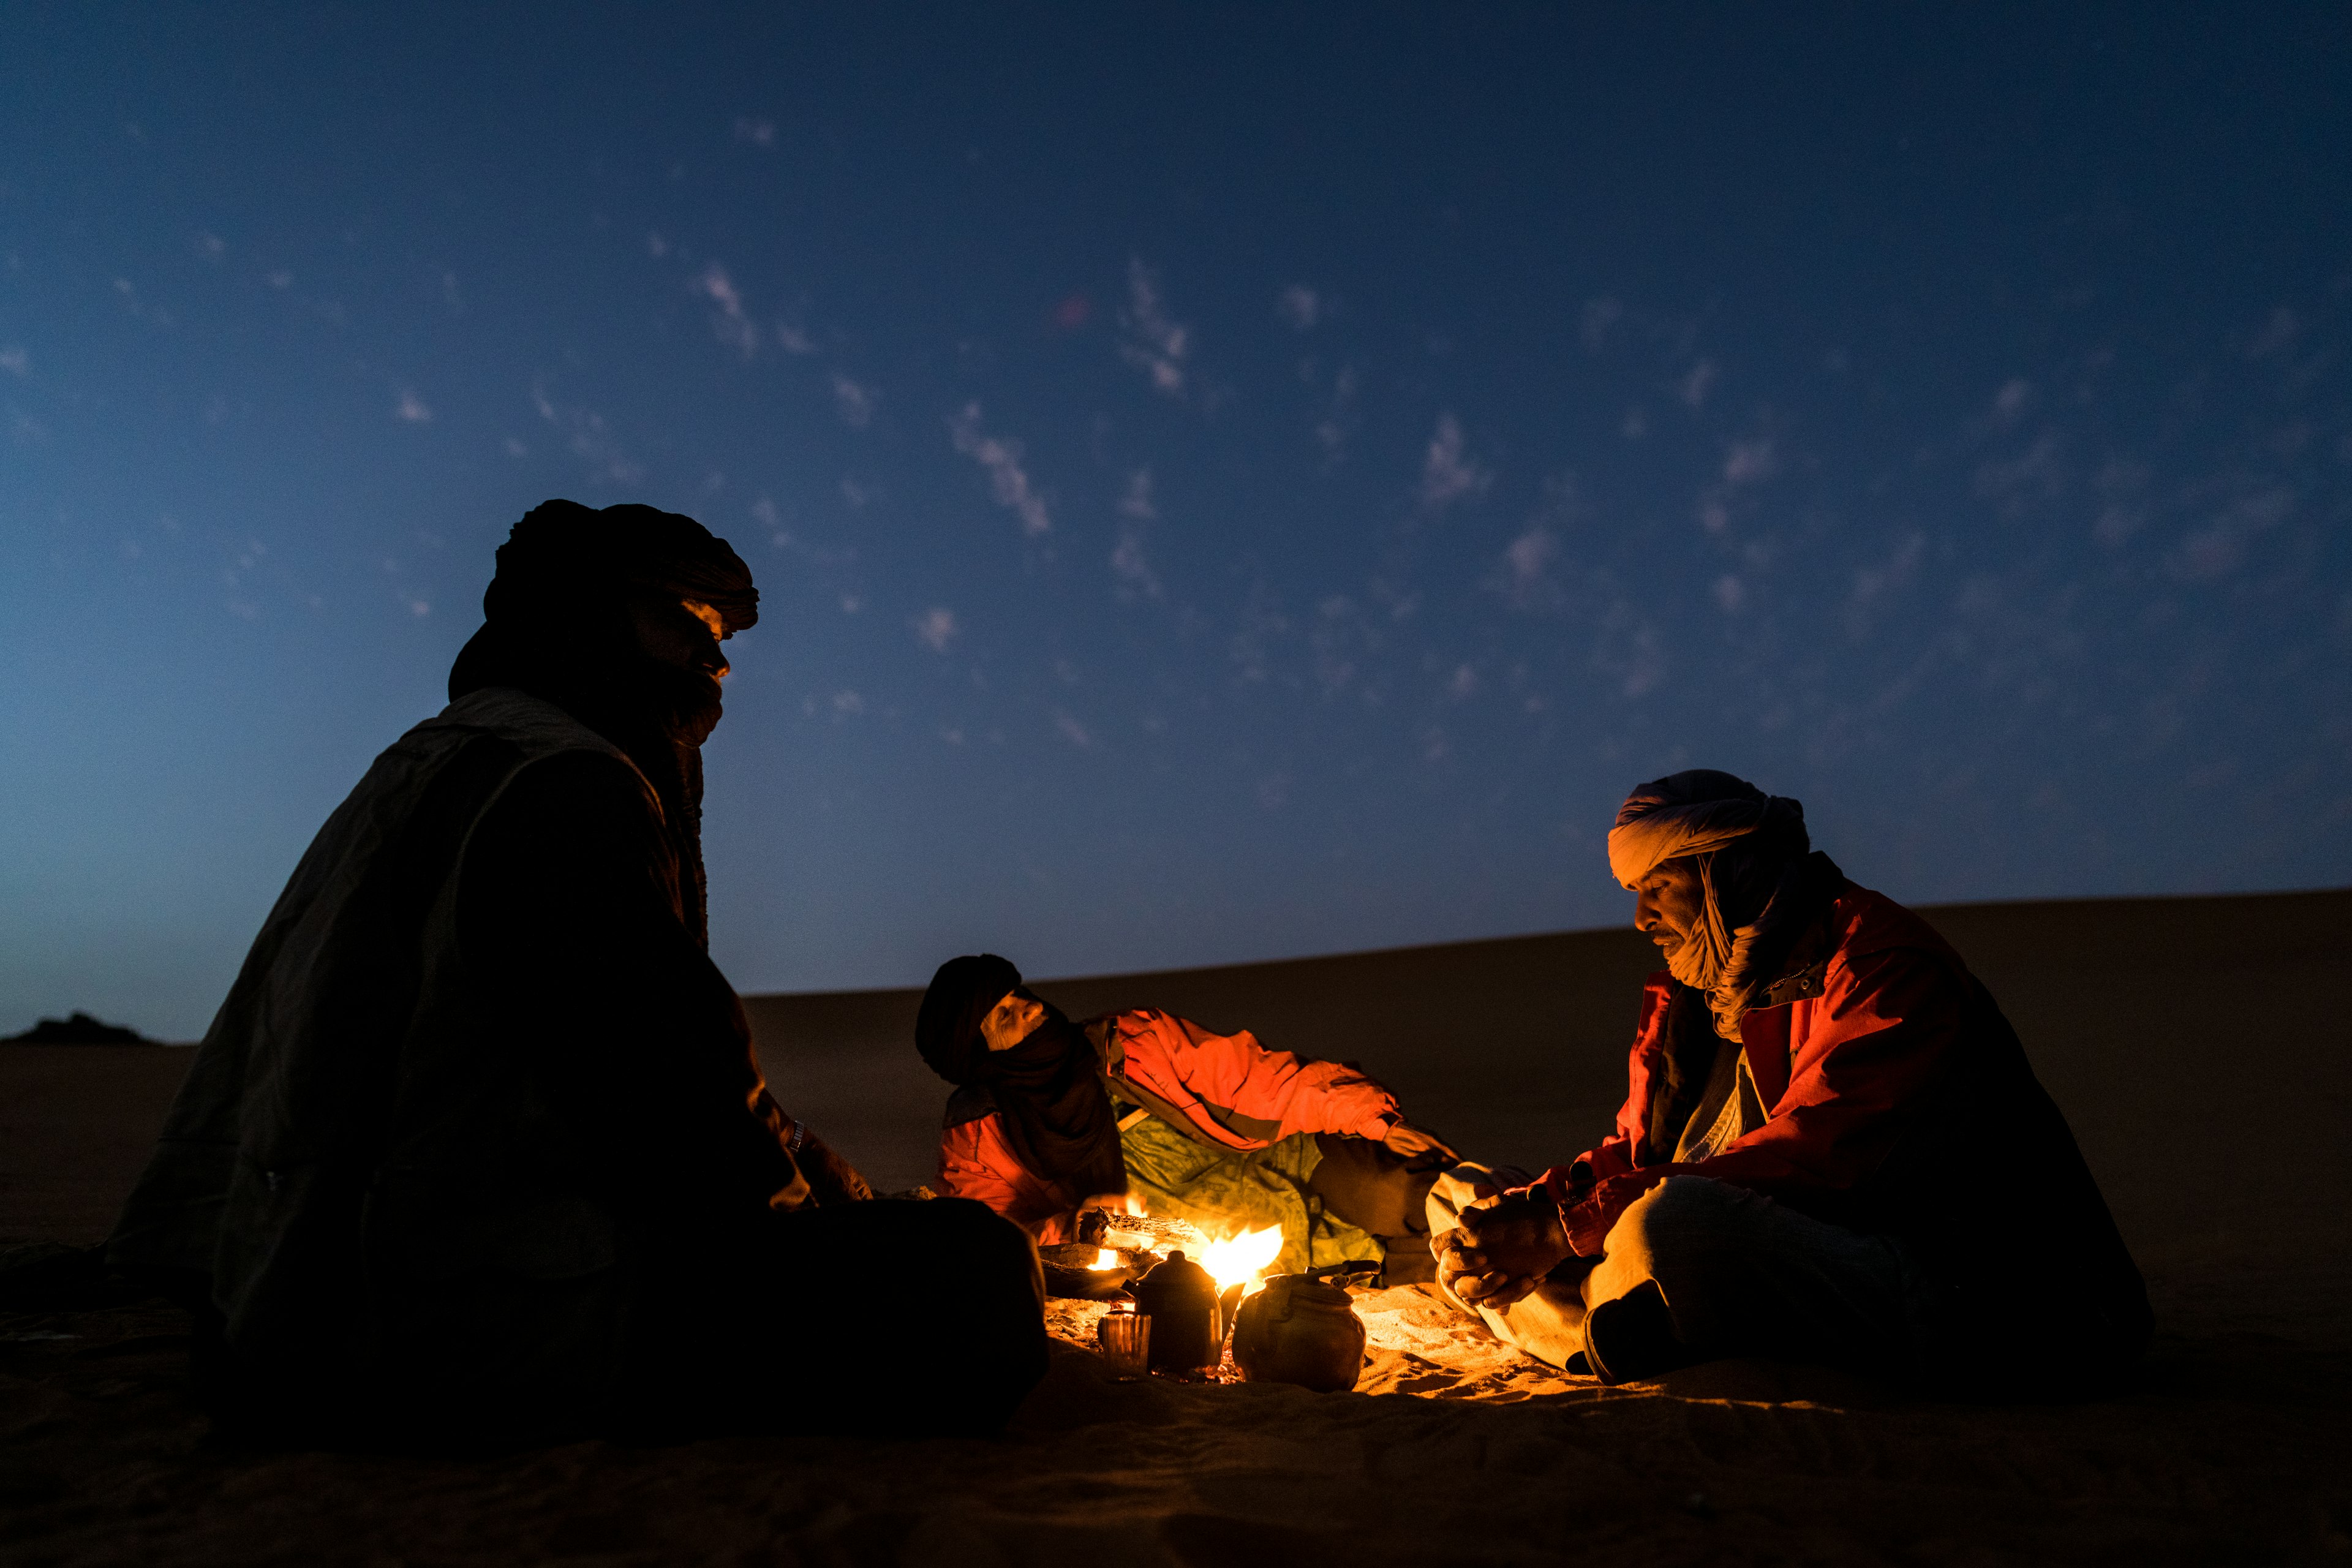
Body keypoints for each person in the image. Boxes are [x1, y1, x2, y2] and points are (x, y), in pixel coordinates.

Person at [107, 500, 1047, 1444]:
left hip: (284, 1292)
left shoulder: (435, 760)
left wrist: (797, 1150)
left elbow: (585, 1036)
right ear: (591, 615)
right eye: (687, 624)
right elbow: (661, 1088)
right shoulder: (562, 784)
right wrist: (798, 1219)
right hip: (429, 1321)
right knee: (979, 1271)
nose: (715, 666)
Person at [1431, 770, 2151, 1390]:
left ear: (1731, 872)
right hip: (1751, 1244)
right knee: (1459, 1195)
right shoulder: (1695, 999)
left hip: (1966, 1287)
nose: (1640, 917)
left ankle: (1582, 1318)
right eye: (1633, 889)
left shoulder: (1882, 967)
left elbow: (1817, 1161)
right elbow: (1635, 1152)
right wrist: (1536, 1212)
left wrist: (1561, 1231)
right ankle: (1603, 1319)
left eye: (1659, 885)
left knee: (1677, 1229)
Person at [916, 954, 1457, 1282]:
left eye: (1019, 995)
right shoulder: (979, 1132)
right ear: (980, 1054)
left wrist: (1375, 1118)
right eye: (1004, 1016)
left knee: (1415, 1193)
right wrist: (1082, 1228)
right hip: (1170, 1234)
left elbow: (1259, 1079)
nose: (1030, 1008)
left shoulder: (1129, 1043)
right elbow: (991, 1238)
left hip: (1274, 1159)